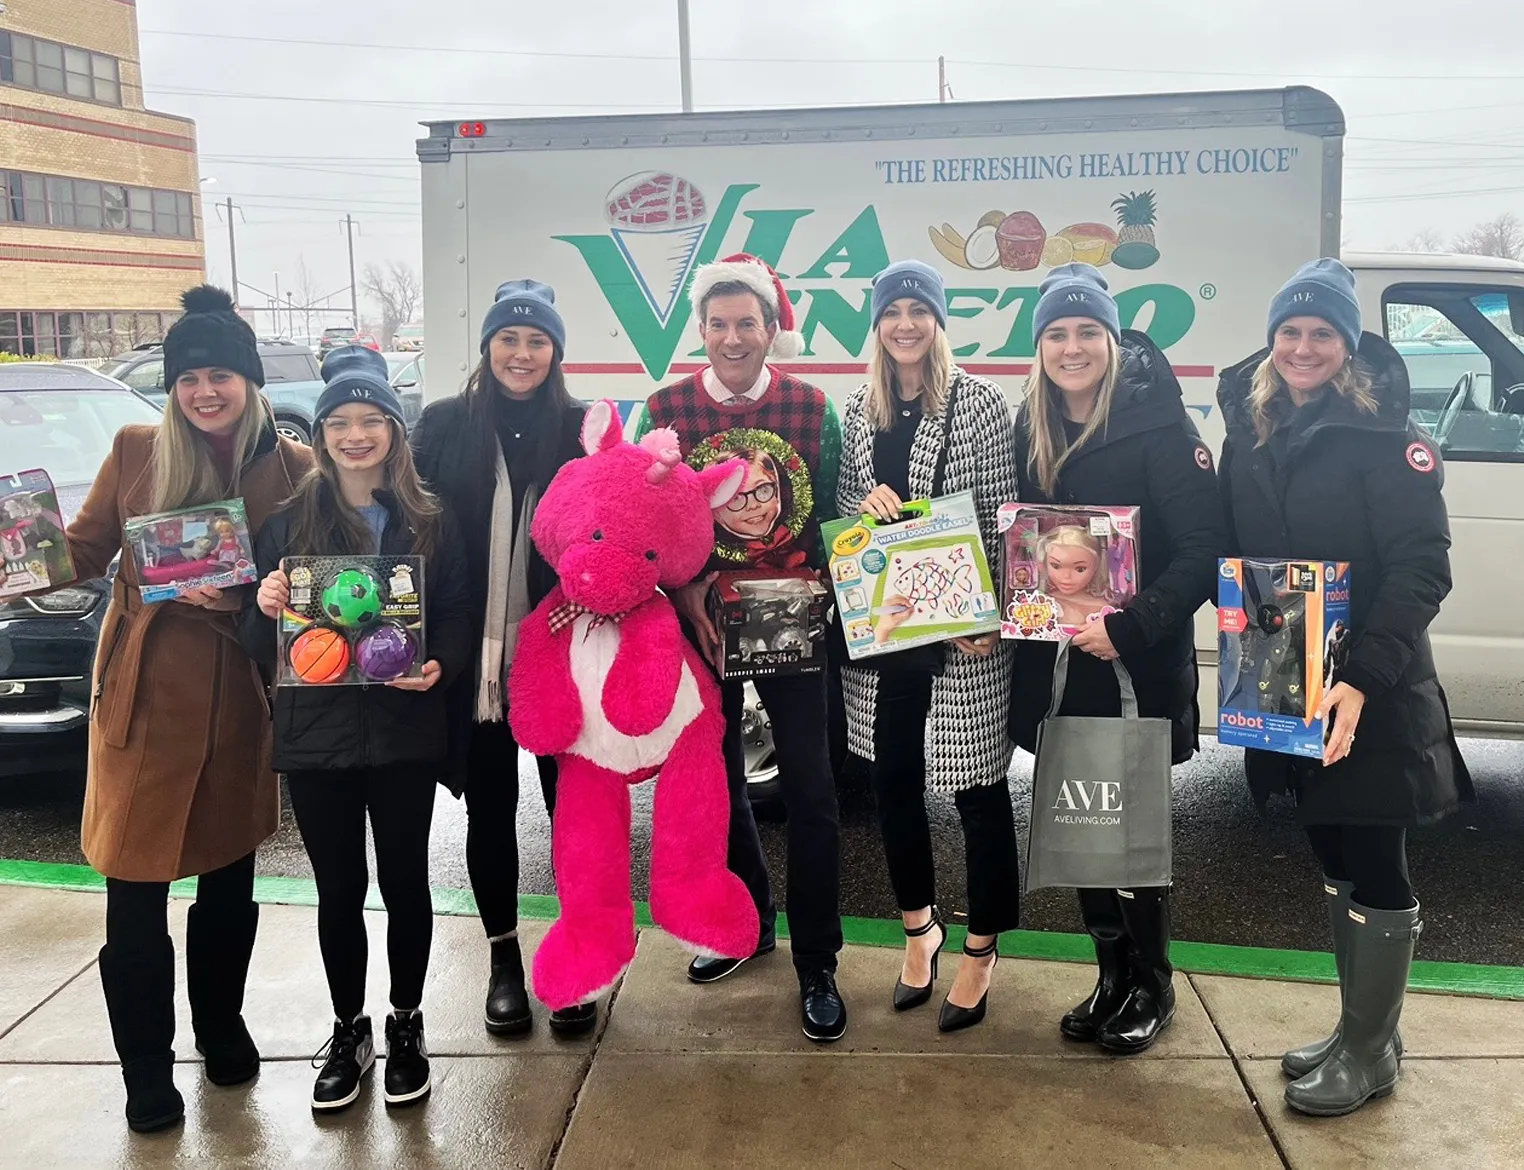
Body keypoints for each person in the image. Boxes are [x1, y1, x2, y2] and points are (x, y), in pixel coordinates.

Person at [51, 285, 314, 1132]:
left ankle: (222, 1025)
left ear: (250, 381)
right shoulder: (134, 452)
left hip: (240, 692)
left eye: (222, 375)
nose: (206, 391)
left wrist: (249, 600)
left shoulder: (295, 468)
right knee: (133, 890)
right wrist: (20, 553)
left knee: (229, 879)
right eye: (190, 376)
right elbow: (83, 548)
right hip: (143, 697)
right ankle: (145, 1068)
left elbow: (317, 585)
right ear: (172, 385)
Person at [1217, 258, 1473, 1116]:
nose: (1303, 347)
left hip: (1373, 689)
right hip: (1283, 683)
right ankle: (1363, 1029)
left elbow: (1421, 570)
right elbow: (1238, 557)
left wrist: (1361, 680)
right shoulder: (1248, 433)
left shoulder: (1386, 440)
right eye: (1289, 331)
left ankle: (1370, 1053)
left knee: (1373, 854)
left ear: (1349, 345)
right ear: (1270, 342)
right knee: (1328, 848)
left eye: (1322, 333)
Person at [241, 347, 472, 1112]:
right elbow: (254, 641)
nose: (355, 434)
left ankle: (406, 1023)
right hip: (318, 736)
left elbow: (459, 616)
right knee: (339, 889)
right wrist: (266, 606)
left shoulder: (431, 518)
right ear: (324, 431)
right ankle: (350, 1029)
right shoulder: (286, 525)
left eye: (372, 420)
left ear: (395, 431)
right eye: (340, 421)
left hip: (404, 726)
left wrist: (439, 663)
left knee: (406, 881)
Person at [1006, 264, 1223, 1055]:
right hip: (1060, 670)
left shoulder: (1161, 427)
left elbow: (1204, 550)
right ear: (1040, 348)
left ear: (1111, 339)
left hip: (1133, 667)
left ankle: (1154, 985)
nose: (1071, 348)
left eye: (1086, 332)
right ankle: (1109, 973)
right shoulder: (1032, 425)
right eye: (1056, 334)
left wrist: (1132, 627)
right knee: (1080, 825)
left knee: (1127, 832)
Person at [631, 252, 848, 1042]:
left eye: (746, 323)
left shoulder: (813, 410)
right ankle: (747, 922)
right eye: (718, 324)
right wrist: (681, 589)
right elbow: (644, 523)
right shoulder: (664, 409)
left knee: (815, 793)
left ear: (770, 328)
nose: (732, 338)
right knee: (714, 785)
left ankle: (818, 959)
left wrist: (818, 586)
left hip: (794, 621)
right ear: (701, 329)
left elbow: (832, 516)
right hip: (702, 625)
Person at [836, 261, 1021, 1032]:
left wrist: (994, 613)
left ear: (939, 321)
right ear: (877, 325)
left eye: (919, 311)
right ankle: (921, 929)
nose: (905, 324)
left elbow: (1004, 514)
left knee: (978, 793)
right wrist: (864, 505)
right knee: (892, 787)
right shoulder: (859, 409)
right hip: (887, 631)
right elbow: (846, 521)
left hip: (964, 632)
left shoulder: (977, 405)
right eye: (892, 312)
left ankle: (981, 948)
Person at [409, 281, 592, 1037]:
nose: (522, 354)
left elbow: (613, 522)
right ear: (488, 347)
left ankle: (577, 959)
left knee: (571, 813)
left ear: (555, 352)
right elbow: (403, 520)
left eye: (537, 341)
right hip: (474, 657)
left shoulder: (582, 426)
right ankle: (505, 958)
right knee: (491, 810)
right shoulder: (445, 424)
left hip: (563, 650)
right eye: (509, 339)